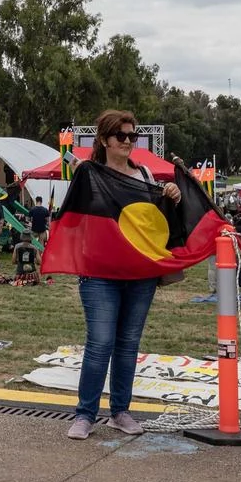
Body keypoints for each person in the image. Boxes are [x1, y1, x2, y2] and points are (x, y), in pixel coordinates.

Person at [67, 109, 180, 440]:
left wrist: (170, 195)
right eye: (121, 136)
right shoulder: (89, 173)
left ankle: (120, 411)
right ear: (104, 140)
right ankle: (85, 414)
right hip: (99, 272)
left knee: (128, 343)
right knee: (100, 342)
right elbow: (74, 218)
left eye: (133, 136)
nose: (128, 142)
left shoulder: (144, 174)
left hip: (139, 272)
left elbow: (150, 221)